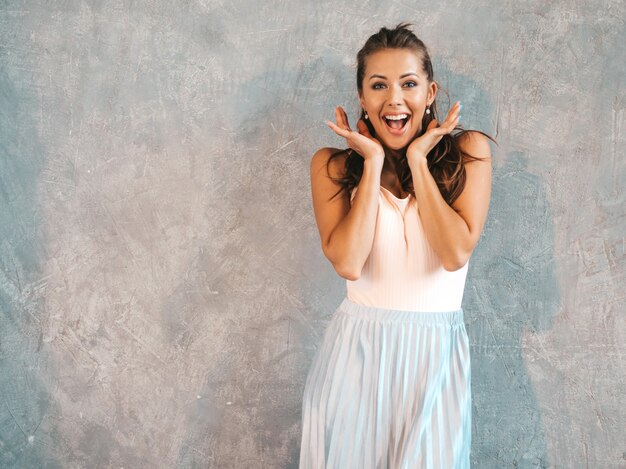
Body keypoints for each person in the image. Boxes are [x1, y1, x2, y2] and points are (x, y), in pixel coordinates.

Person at [299, 22, 496, 469]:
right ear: (362, 99)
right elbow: (348, 263)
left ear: (430, 92)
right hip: (356, 360)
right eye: (378, 85)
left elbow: (454, 254)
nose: (394, 99)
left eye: (409, 83)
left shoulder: (471, 152)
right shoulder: (330, 165)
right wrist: (370, 164)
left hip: (434, 361)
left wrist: (417, 162)